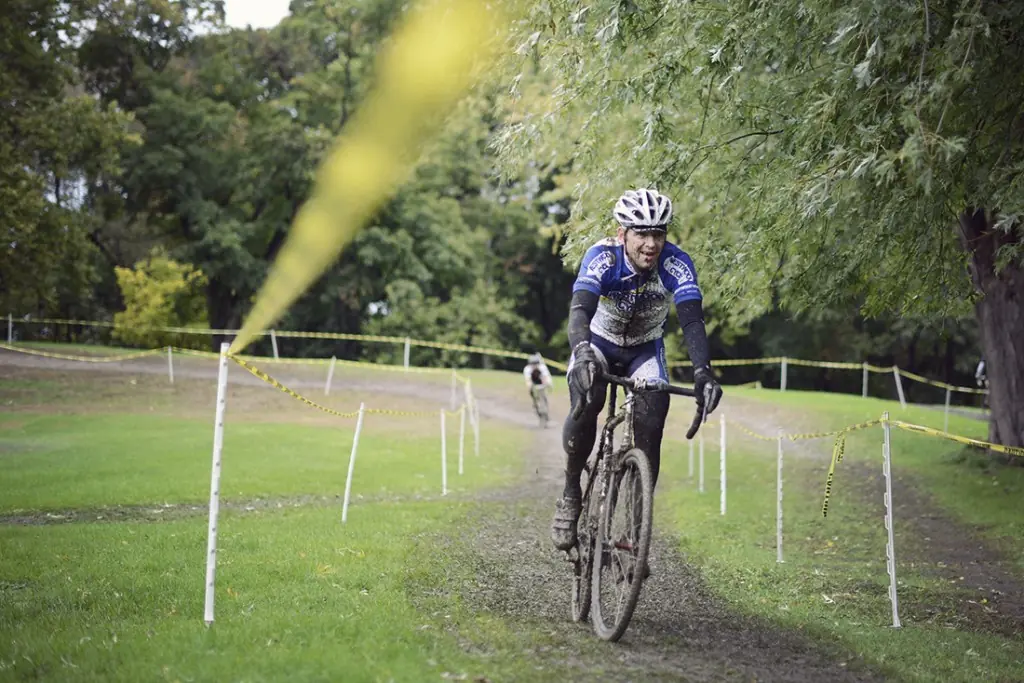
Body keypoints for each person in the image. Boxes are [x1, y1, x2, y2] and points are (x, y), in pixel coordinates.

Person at [551, 188, 723, 560]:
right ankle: (570, 492)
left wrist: (703, 372)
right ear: (622, 233)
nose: (651, 244)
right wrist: (581, 353)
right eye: (642, 234)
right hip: (599, 343)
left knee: (652, 420)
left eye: (658, 234)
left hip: (644, 350)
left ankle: (635, 528)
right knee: (588, 399)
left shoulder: (676, 263)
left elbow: (692, 321)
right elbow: (580, 311)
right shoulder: (602, 257)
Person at [524, 352, 553, 419]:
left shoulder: (542, 367)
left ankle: (545, 408)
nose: (534, 366)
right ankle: (535, 403)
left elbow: (545, 378)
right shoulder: (527, 369)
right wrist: (531, 389)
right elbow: (528, 381)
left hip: (541, 381)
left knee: (543, 394)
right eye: (533, 364)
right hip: (533, 381)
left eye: (536, 364)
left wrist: (548, 386)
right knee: (532, 392)